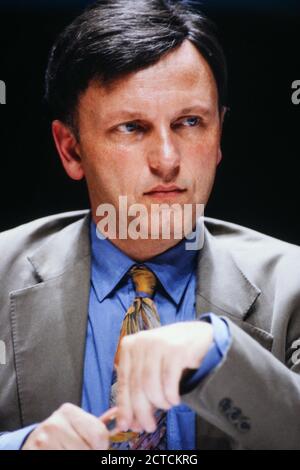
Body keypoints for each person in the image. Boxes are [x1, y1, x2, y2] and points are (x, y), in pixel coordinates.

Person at [0, 0, 300, 451]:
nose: (167, 160)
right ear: (71, 150)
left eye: (190, 122)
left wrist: (219, 353)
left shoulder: (293, 285)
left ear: (219, 135)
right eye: (132, 128)